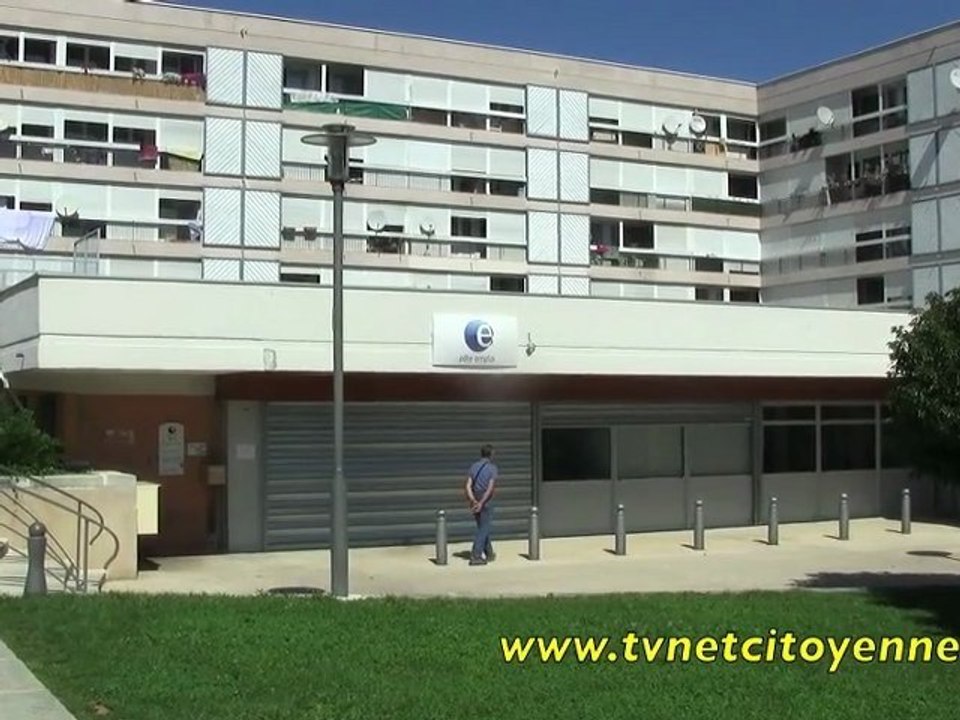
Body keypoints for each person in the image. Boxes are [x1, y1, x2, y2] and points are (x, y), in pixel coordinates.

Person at [465, 443, 497, 566]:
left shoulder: (473, 467)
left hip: (475, 497)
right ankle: (476, 555)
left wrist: (473, 500)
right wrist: (482, 502)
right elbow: (490, 488)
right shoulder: (492, 468)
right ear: (491, 454)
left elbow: (468, 485)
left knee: (482, 526)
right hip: (486, 499)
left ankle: (489, 552)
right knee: (484, 528)